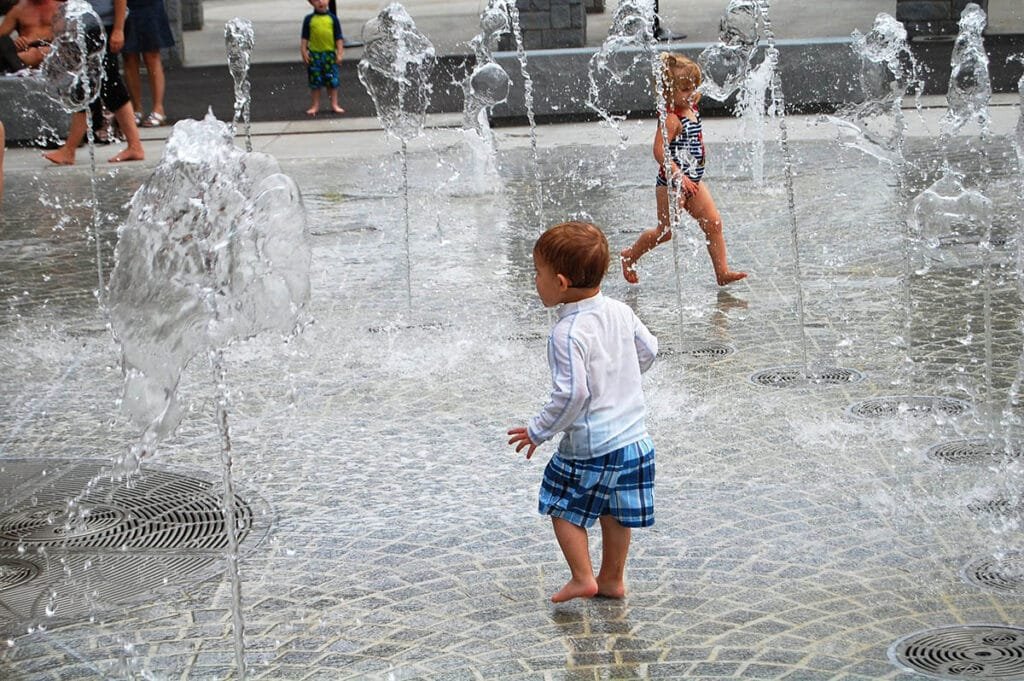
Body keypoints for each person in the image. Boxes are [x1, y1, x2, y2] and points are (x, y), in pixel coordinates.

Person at [508, 221, 659, 603]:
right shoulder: (619, 311)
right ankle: (611, 580)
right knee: (615, 511)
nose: (535, 281)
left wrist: (538, 430)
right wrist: (620, 374)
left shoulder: (567, 332)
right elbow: (650, 349)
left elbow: (572, 394)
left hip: (592, 446)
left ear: (560, 282)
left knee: (560, 502)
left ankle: (582, 577)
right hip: (635, 442)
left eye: (537, 273)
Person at [620, 53, 746, 287]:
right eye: (685, 89)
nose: (692, 94)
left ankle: (722, 272)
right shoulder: (671, 118)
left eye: (694, 87)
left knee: (713, 223)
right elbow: (659, 151)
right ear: (668, 93)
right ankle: (630, 255)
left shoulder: (691, 107)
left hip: (694, 182)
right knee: (665, 232)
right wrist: (678, 176)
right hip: (671, 184)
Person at [43, 0, 144, 165]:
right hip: (89, 26)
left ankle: (70, 150)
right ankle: (133, 145)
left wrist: (118, 29)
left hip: (105, 26)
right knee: (94, 84)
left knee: (102, 83)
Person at [122, 0, 174, 127]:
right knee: (129, 56)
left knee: (152, 55)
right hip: (124, 5)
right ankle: (136, 109)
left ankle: (158, 108)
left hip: (150, 5)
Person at [300, 0, 344, 116]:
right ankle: (315, 105)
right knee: (315, 82)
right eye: (316, 0)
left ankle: (334, 104)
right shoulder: (309, 19)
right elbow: (305, 38)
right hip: (315, 55)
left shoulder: (333, 19)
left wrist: (339, 53)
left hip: (329, 55)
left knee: (332, 81)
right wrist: (304, 51)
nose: (320, 2)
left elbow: (338, 38)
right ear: (311, 2)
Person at [0, 0, 58, 71]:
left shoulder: (60, 7)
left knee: (39, 53)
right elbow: (1, 37)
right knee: (5, 43)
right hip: (25, 55)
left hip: (51, 51)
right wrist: (14, 44)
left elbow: (67, 37)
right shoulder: (18, 8)